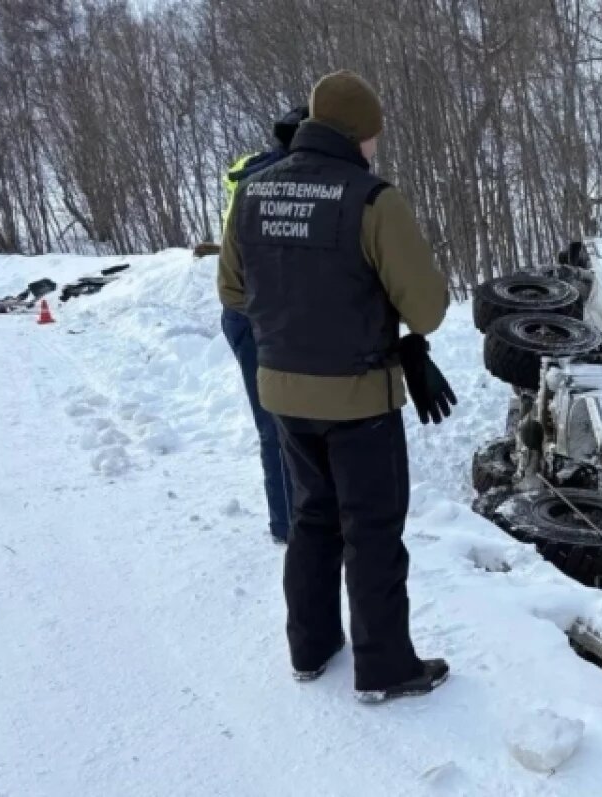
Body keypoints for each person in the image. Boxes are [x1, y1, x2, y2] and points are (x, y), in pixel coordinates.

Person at [217, 70, 455, 703]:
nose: (377, 147)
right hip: (359, 400)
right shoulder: (372, 199)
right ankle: (385, 668)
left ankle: (310, 648)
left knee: (312, 519)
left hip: (283, 394)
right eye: (374, 136)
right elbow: (427, 309)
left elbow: (233, 293)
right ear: (358, 134)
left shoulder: (253, 191)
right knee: (372, 529)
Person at [217, 106, 308, 545]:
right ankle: (289, 526)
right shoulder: (280, 183)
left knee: (278, 423)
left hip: (247, 315)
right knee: (280, 425)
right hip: (260, 316)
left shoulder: (251, 171)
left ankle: (293, 521)